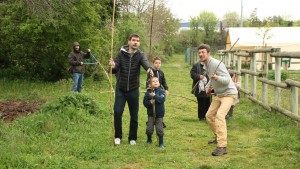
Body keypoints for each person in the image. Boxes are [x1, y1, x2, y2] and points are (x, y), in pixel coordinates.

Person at [109, 34, 153, 145]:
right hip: (121, 89)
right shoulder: (120, 54)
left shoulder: (140, 55)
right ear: (129, 42)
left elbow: (145, 63)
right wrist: (112, 66)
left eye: (137, 41)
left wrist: (148, 69)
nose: (135, 42)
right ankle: (118, 136)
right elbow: (114, 69)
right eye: (133, 40)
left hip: (133, 89)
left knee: (134, 115)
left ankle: (132, 138)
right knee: (117, 112)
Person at [199, 44, 238, 156]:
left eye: (203, 52)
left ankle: (222, 146)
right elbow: (211, 79)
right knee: (209, 116)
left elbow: (227, 80)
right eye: (200, 52)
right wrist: (208, 87)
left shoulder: (216, 63)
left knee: (220, 116)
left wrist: (217, 78)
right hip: (219, 94)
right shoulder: (206, 65)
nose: (201, 54)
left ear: (208, 53)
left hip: (229, 93)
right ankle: (219, 136)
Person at [143, 77, 166, 148]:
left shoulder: (162, 91)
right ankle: (149, 139)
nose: (155, 82)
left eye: (156, 81)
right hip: (151, 114)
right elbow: (145, 103)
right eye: (153, 81)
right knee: (149, 129)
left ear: (159, 83)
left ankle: (161, 143)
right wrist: (150, 102)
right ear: (149, 85)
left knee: (159, 129)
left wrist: (155, 96)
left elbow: (162, 99)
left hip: (159, 114)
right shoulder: (148, 93)